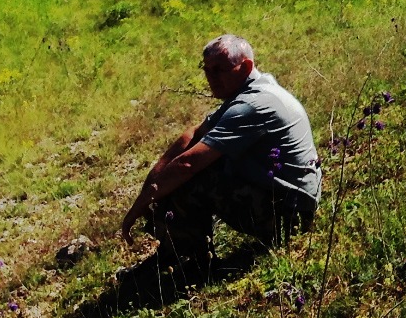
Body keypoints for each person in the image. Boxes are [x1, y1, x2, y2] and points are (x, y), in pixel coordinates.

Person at [120, 34, 321, 277]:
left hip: (290, 216)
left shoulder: (252, 105)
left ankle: (189, 262)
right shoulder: (254, 89)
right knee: (173, 175)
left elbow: (187, 163)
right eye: (206, 70)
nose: (211, 78)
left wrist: (143, 202)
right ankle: (175, 254)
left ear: (245, 66)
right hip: (289, 199)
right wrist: (151, 183)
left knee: (191, 177)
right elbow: (193, 134)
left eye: (219, 70)